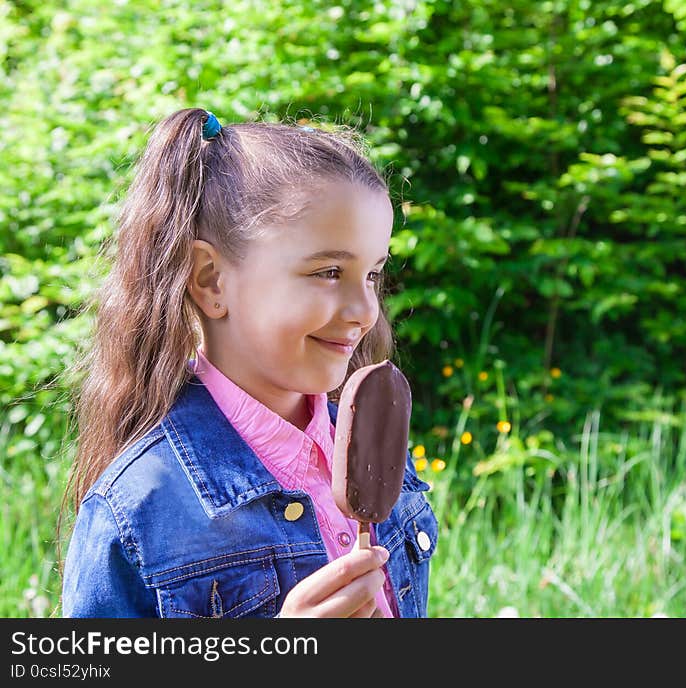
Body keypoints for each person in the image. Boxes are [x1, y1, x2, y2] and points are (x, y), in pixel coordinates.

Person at [60, 109, 437, 618]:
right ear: (212, 280)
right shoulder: (140, 507)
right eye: (329, 271)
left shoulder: (371, 449)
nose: (366, 310)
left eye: (372, 274)